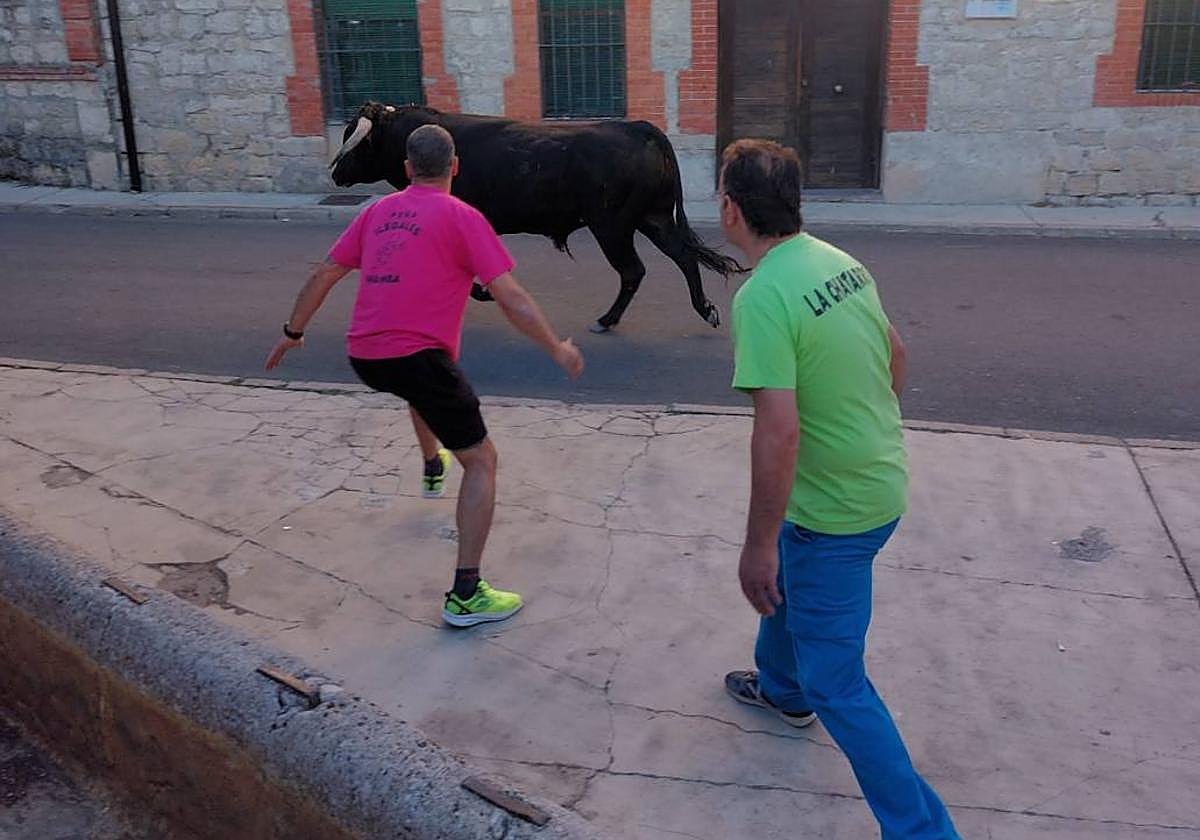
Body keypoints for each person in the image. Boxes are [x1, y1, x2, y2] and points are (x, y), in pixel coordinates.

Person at [718, 138, 960, 839]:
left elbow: (778, 434)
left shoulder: (763, 296)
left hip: (837, 514)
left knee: (840, 684)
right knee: (790, 589)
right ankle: (783, 691)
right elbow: (897, 355)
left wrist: (755, 544)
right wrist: (866, 433)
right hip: (878, 480)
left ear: (731, 211)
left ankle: (923, 832)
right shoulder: (838, 262)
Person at [264, 124, 584, 628]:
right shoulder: (462, 217)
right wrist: (556, 348)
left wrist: (292, 330)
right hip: (416, 356)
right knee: (481, 462)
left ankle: (432, 463)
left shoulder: (374, 212)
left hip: (366, 354)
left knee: (421, 387)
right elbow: (511, 297)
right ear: (455, 166)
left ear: (407, 170)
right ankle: (466, 594)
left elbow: (325, 272)